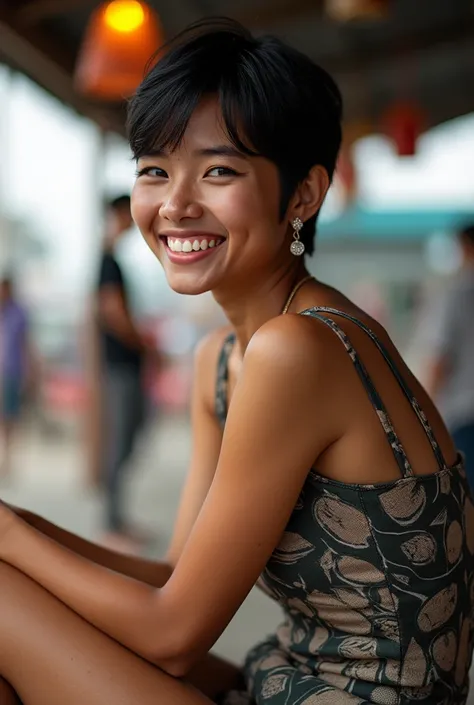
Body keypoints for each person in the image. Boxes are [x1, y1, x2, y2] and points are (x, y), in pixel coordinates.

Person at [0, 18, 471, 705]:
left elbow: (173, 632)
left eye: (218, 170)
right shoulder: (223, 358)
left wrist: (9, 536)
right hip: (279, 681)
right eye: (154, 171)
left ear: (303, 196)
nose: (176, 204)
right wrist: (16, 524)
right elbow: (174, 573)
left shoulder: (299, 349)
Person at [96, 195, 151, 551]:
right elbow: (113, 313)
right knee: (121, 441)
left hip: (124, 364)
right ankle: (111, 524)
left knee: (130, 436)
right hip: (120, 365)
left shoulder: (110, 261)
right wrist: (144, 343)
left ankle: (116, 519)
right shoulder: (108, 262)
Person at [424, 224, 474, 489]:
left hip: (465, 416)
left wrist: (424, 414)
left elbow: (439, 359)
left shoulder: (456, 294)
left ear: (465, 247)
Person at [0, 275, 30, 477]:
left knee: (10, 418)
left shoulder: (18, 313)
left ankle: (8, 461)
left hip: (11, 371)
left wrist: (29, 372)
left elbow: (25, 344)